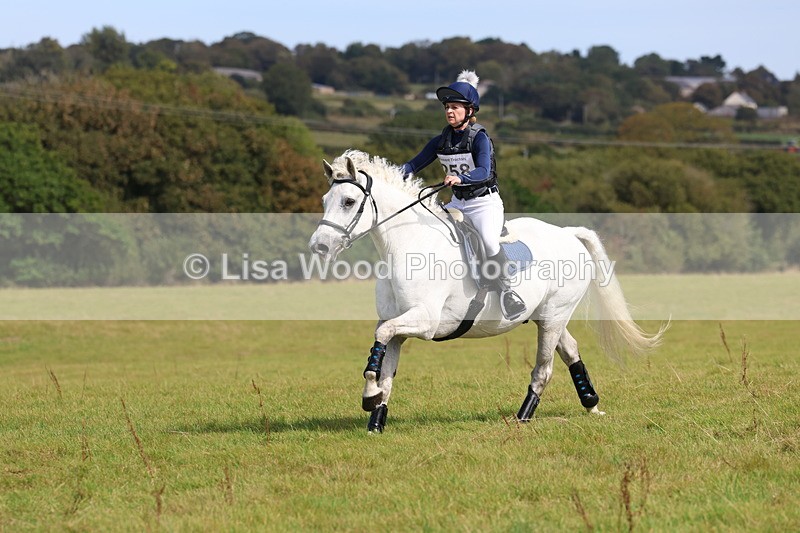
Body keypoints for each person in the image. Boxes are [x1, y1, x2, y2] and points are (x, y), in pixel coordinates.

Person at [400, 70, 526, 321]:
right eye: (447, 107)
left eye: (455, 107)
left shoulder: (479, 138)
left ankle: (507, 292)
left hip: (484, 203)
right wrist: (386, 176)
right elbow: (412, 166)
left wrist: (461, 178)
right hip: (457, 203)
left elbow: (484, 171)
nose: (449, 111)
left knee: (489, 242)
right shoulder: (440, 141)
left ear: (469, 110)